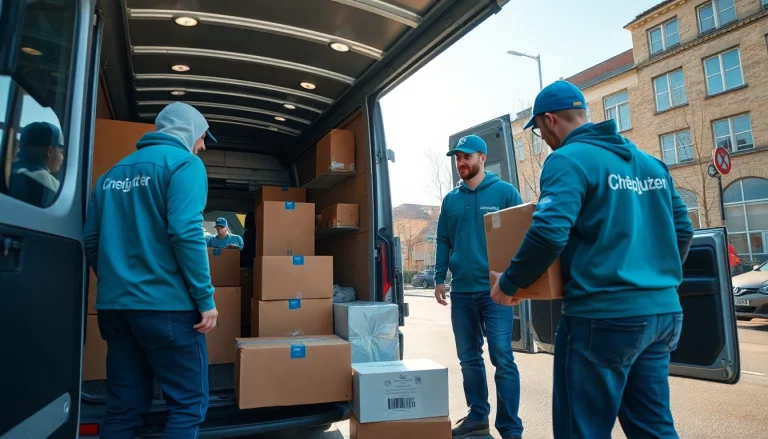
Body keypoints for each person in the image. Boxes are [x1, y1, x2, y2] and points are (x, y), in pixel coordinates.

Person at [490, 80, 694, 438]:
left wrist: (509, 284)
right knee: (654, 428)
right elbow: (683, 232)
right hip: (663, 315)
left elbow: (549, 232)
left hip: (603, 317)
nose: (544, 139)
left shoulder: (568, 159)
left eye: (538, 131)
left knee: (580, 430)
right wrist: (655, 277)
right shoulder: (650, 163)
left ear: (549, 120)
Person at [83, 102, 218, 438]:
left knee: (123, 409)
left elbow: (90, 241)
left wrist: (119, 284)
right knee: (187, 406)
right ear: (188, 131)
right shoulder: (185, 164)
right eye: (202, 137)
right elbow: (186, 232)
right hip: (167, 309)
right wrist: (205, 298)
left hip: (116, 310)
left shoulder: (110, 175)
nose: (202, 146)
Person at [434, 135, 524, 439]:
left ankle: (510, 427)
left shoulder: (505, 192)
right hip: (461, 291)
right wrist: (438, 278)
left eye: (467, 157)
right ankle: (477, 417)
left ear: (482, 158)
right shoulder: (451, 200)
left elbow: (520, 237)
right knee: (469, 358)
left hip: (496, 291)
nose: (461, 163)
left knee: (503, 357)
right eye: (457, 158)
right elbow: (444, 240)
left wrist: (517, 283)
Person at [9, 121, 65, 207]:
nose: (62, 157)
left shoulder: (9, 171)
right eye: (61, 152)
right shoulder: (54, 188)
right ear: (49, 151)